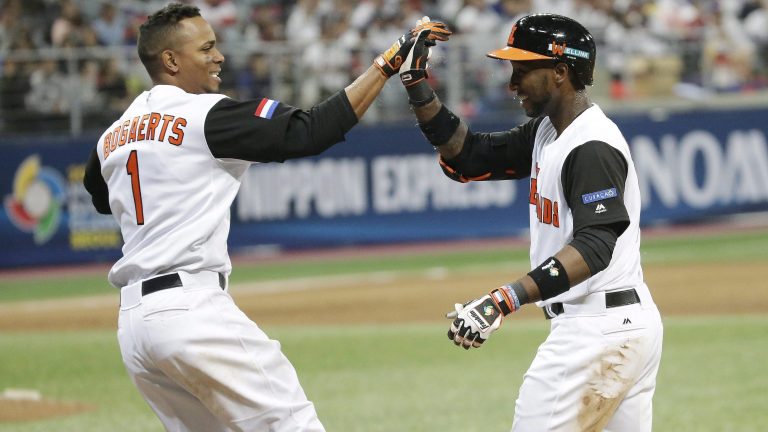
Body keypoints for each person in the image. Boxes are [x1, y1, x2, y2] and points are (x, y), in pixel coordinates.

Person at [82, 4, 449, 431]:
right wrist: (387, 64)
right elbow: (310, 130)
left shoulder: (113, 134)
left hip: (135, 328)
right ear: (170, 60)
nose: (219, 56)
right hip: (191, 310)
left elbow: (102, 198)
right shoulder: (206, 116)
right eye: (207, 48)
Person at [398, 13, 663, 431]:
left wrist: (505, 298)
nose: (512, 82)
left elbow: (595, 246)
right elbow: (470, 154)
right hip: (615, 327)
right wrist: (417, 85)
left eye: (524, 69)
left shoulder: (591, 144)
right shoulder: (548, 131)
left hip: (595, 331)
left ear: (560, 72)